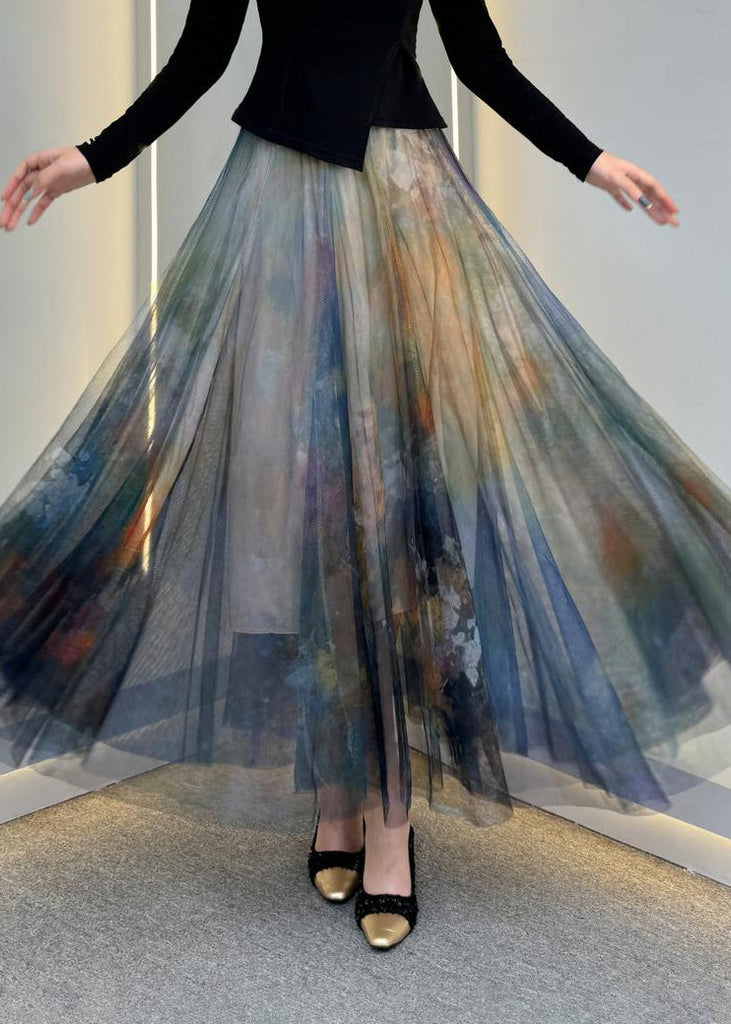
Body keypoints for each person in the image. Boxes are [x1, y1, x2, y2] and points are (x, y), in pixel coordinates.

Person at [1, 0, 728, 955]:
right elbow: (198, 58)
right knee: (300, 514)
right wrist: (94, 158)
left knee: (394, 515)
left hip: (403, 208)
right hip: (277, 211)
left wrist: (589, 161)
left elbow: (480, 59)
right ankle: (335, 794)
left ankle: (390, 818)